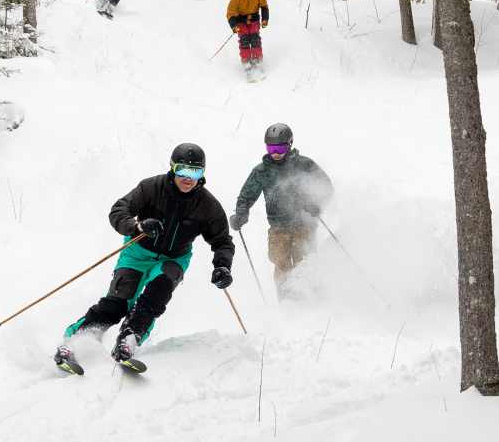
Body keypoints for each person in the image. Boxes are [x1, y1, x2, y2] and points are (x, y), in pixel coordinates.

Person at [55, 143, 235, 370]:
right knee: (120, 300)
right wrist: (137, 226)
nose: (188, 178)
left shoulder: (207, 206)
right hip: (138, 251)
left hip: (173, 259)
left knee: (156, 295)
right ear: (172, 168)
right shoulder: (151, 188)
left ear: (203, 174)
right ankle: (74, 342)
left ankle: (128, 340)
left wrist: (223, 266)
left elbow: (222, 241)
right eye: (182, 170)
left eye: (195, 172)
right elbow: (118, 210)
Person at [229, 123, 333, 300]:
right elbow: (246, 196)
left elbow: (325, 186)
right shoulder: (262, 171)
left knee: (304, 262)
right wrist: (241, 214)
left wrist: (314, 204)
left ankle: (312, 300)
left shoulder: (304, 165)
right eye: (271, 148)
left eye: (280, 147)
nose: (275, 152)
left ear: (289, 145)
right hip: (278, 228)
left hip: (304, 224)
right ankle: (286, 301)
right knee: (281, 263)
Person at [226, 0, 269, 78]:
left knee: (255, 39)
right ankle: (246, 61)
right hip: (241, 22)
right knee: (244, 40)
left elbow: (264, 6)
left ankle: (257, 58)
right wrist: (233, 26)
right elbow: (230, 13)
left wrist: (265, 19)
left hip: (253, 20)